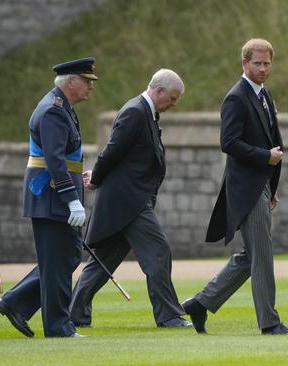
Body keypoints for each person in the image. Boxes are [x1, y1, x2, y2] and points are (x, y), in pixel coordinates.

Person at [181, 39, 288, 336]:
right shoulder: (236, 97)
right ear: (244, 64)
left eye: (267, 63)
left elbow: (270, 138)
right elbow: (229, 143)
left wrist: (272, 186)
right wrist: (265, 158)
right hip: (245, 189)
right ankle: (270, 323)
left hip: (260, 185)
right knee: (262, 254)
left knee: (250, 256)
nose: (263, 68)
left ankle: (201, 303)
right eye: (257, 63)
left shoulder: (263, 94)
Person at [69, 69, 190, 329]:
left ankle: (74, 313)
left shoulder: (145, 112)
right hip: (129, 202)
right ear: (158, 91)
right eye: (172, 98)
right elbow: (111, 152)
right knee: (159, 250)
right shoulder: (135, 111)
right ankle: (168, 315)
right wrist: (97, 178)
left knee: (104, 260)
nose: (174, 103)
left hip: (129, 201)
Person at [0, 57, 96, 338]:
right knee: (58, 261)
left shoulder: (62, 108)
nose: (90, 88)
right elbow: (54, 160)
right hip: (50, 196)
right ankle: (58, 326)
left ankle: (15, 302)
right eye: (87, 82)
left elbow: (66, 158)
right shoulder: (53, 110)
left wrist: (78, 179)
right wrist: (71, 199)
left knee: (67, 256)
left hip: (54, 194)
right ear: (71, 82)